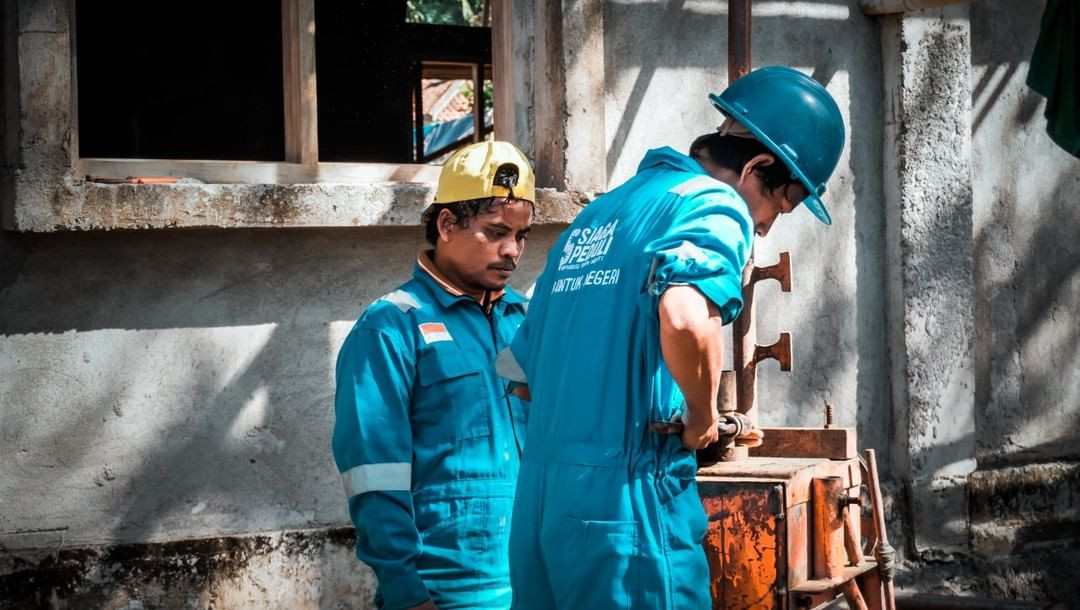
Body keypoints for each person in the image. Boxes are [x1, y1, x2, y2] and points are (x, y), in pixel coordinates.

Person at [497, 66, 846, 608]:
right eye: (783, 203)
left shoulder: (597, 218)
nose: (769, 225)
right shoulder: (713, 204)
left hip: (540, 511)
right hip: (627, 516)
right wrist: (702, 418)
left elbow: (522, 379)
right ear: (759, 166)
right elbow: (683, 317)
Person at [332, 140, 535, 610]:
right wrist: (404, 590)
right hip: (446, 588)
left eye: (521, 236)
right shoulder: (391, 325)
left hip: (536, 576)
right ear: (447, 224)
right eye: (496, 231)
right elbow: (371, 470)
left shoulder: (526, 320)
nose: (512, 251)